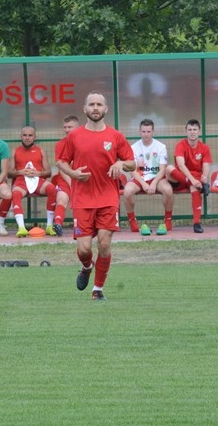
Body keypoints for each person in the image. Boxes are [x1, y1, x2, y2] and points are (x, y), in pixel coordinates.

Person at [56, 91, 135, 300]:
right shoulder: (74, 136)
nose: (95, 108)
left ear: (106, 109)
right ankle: (86, 266)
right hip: (82, 198)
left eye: (99, 104)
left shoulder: (116, 136)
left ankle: (97, 290)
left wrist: (120, 163)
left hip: (108, 198)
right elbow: (61, 161)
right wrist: (73, 174)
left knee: (104, 244)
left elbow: (132, 163)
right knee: (84, 249)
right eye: (91, 104)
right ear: (85, 109)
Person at [0, 126, 57, 237]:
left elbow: (48, 172)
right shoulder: (15, 151)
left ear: (35, 137)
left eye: (30, 135)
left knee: (52, 189)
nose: (27, 138)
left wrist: (38, 173)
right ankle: (21, 228)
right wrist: (20, 172)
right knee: (15, 194)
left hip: (38, 180)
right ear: (21, 136)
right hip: (21, 182)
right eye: (24, 135)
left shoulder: (41, 151)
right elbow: (9, 174)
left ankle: (49, 226)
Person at [123, 119, 174, 235]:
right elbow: (133, 171)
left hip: (157, 178)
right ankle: (132, 222)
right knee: (127, 191)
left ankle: (167, 220)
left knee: (168, 190)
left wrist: (154, 183)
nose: (146, 134)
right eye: (144, 131)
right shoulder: (133, 148)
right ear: (139, 132)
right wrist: (144, 183)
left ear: (153, 131)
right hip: (140, 178)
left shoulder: (161, 147)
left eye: (148, 131)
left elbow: (162, 170)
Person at [166, 119, 212, 233]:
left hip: (195, 180)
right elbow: (180, 165)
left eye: (195, 129)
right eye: (190, 129)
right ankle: (202, 185)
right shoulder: (180, 145)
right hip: (181, 178)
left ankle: (196, 223)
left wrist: (205, 176)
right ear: (186, 131)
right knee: (169, 169)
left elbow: (206, 167)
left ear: (199, 131)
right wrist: (192, 180)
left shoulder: (204, 148)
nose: (192, 132)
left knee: (195, 189)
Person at [48, 115, 80, 236]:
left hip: (82, 179)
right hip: (65, 179)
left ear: (77, 128)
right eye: (65, 127)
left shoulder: (84, 143)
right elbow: (61, 167)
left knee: (81, 202)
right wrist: (71, 184)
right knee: (61, 199)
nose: (67, 130)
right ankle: (58, 224)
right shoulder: (60, 145)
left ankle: (80, 227)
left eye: (70, 127)